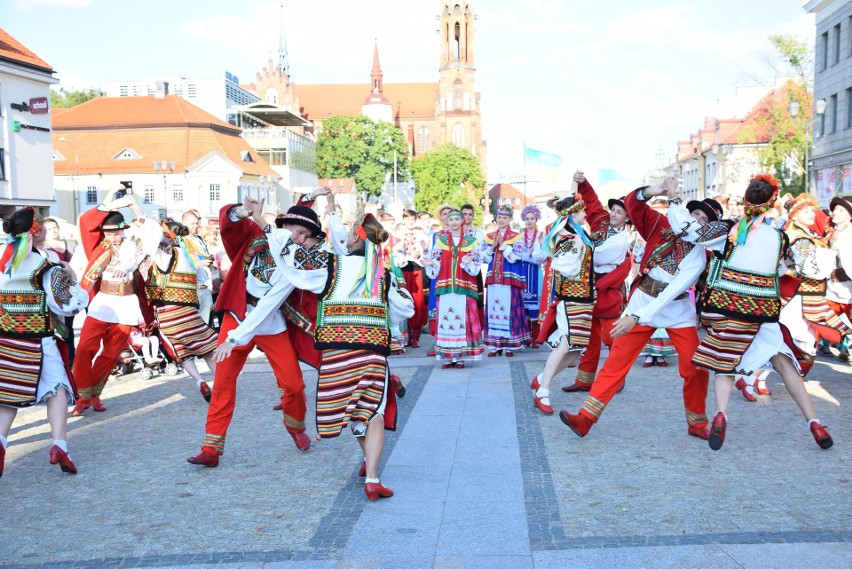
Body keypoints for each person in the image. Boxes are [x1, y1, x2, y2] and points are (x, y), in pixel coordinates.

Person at [667, 174, 833, 450]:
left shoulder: (729, 231)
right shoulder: (780, 237)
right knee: (783, 362)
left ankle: (721, 414)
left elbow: (689, 232)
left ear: (746, 200)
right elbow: (793, 269)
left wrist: (674, 200)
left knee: (725, 361)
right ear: (773, 203)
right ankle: (813, 421)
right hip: (760, 311)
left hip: (725, 307)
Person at [559, 175, 728, 439]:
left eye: (704, 221)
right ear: (686, 212)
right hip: (643, 301)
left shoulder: (701, 254)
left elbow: (672, 290)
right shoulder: (661, 223)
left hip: (675, 310)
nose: (697, 220)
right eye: (695, 213)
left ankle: (697, 423)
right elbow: (632, 204)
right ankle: (585, 418)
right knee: (616, 362)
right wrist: (654, 190)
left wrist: (635, 317)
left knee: (695, 366)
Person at [268, 213, 414, 500]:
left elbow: (294, 264)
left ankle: (369, 466)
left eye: (349, 232)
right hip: (370, 351)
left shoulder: (331, 265)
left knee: (356, 413)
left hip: (336, 354)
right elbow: (405, 309)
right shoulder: (382, 273)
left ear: (358, 237)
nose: (344, 236)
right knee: (373, 412)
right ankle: (372, 478)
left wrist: (265, 225)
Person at [0, 207, 88, 477]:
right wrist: (70, 274)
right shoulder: (47, 266)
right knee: (57, 387)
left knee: (8, 394)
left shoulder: (3, 260)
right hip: (38, 340)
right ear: (38, 233)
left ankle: (1, 443)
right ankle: (59, 445)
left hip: (5, 337)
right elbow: (70, 304)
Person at [72, 193, 160, 416]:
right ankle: (82, 396)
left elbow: (150, 233)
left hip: (126, 305)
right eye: (108, 233)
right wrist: (117, 203)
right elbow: (85, 221)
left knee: (111, 355)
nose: (112, 237)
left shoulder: (132, 244)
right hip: (102, 304)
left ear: (123, 230)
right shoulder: (97, 247)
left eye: (116, 232)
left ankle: (94, 393)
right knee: (84, 349)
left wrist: (135, 206)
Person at [559, 172, 631, 392]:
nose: (614, 214)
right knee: (588, 339)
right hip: (590, 288)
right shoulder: (601, 222)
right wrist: (583, 183)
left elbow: (596, 256)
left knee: (612, 338)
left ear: (628, 218)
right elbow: (591, 204)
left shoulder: (620, 240)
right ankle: (584, 380)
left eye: (620, 212)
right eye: (614, 210)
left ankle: (615, 379)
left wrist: (578, 245)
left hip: (607, 291)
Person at [529, 195, 595, 414]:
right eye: (582, 211)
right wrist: (576, 248)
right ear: (573, 214)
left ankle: (540, 379)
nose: (586, 214)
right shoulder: (566, 236)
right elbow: (563, 266)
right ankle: (543, 392)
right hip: (570, 298)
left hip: (584, 297)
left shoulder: (579, 234)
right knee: (567, 344)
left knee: (575, 351)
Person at [145, 219, 218, 401]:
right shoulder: (190, 254)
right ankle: (220, 381)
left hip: (167, 313)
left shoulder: (163, 255)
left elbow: (150, 236)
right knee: (207, 347)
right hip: (188, 311)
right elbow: (203, 278)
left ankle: (199, 380)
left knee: (182, 351)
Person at [779, 194, 848, 369]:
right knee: (796, 339)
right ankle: (753, 378)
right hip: (799, 295)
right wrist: (832, 256)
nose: (812, 214)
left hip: (807, 293)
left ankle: (761, 377)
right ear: (794, 215)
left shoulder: (806, 234)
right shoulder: (799, 237)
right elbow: (811, 270)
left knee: (802, 340)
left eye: (812, 210)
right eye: (806, 211)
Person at [423, 209, 484, 368]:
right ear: (447, 222)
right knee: (446, 319)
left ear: (462, 221)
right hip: (445, 285)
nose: (455, 222)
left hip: (463, 286)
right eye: (452, 219)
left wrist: (468, 261)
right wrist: (431, 264)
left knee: (461, 319)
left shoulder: (471, 241)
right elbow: (436, 260)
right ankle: (448, 356)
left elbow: (476, 265)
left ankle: (460, 357)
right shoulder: (441, 240)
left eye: (458, 219)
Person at [482, 205, 529, 357]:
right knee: (494, 310)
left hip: (509, 278)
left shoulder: (516, 236)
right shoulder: (489, 236)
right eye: (499, 217)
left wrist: (503, 245)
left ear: (510, 219)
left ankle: (510, 345)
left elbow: (516, 256)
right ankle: (495, 345)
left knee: (509, 309)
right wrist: (492, 247)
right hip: (494, 279)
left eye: (505, 217)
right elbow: (484, 258)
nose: (501, 220)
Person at [823, 196, 852, 361]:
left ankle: (844, 346)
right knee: (831, 313)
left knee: (845, 315)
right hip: (830, 281)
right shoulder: (830, 231)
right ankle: (828, 343)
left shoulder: (849, 233)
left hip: (847, 282)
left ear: (850, 215)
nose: (835, 212)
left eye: (841, 210)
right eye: (835, 209)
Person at [395, 210, 427, 348]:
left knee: (418, 302)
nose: (410, 222)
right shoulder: (398, 234)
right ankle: (406, 334)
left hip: (417, 269)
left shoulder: (421, 234)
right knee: (405, 300)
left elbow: (427, 251)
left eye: (412, 220)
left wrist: (423, 251)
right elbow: (394, 250)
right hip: (404, 270)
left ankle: (416, 335)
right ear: (403, 220)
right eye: (407, 220)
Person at [518, 205, 545, 347]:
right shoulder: (519, 236)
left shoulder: (541, 235)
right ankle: (525, 336)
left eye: (532, 218)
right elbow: (518, 254)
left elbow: (542, 257)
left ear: (536, 219)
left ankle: (535, 337)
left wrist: (530, 255)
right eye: (527, 219)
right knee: (523, 306)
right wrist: (530, 255)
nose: (529, 221)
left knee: (536, 306)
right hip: (522, 272)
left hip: (535, 272)